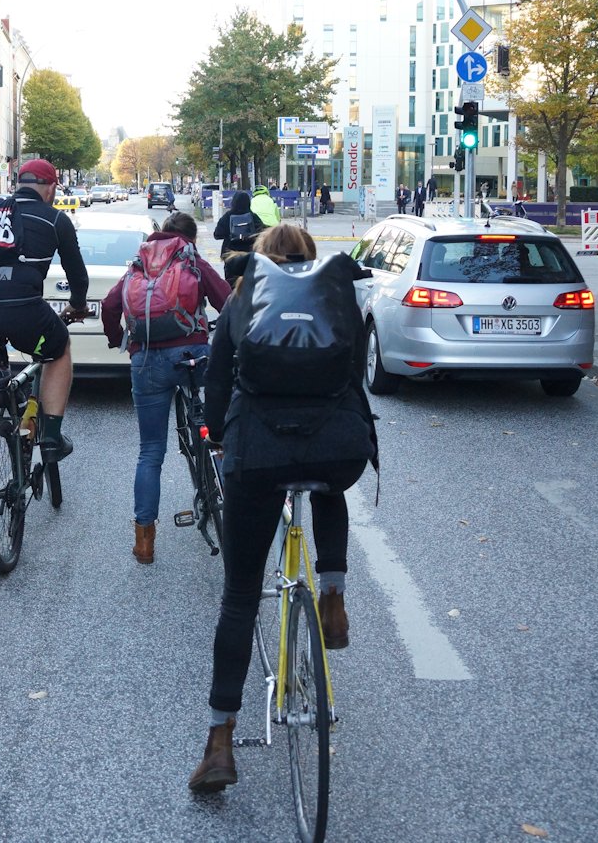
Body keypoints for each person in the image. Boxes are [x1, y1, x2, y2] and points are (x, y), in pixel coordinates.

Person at [188, 223, 377, 794]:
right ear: (311, 259)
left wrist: (219, 433)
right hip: (334, 447)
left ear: (264, 259)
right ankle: (334, 592)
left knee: (240, 600)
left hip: (259, 454)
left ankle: (221, 741)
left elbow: (218, 380)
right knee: (328, 486)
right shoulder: (338, 295)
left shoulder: (246, 296)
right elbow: (353, 376)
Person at [0, 158, 90, 518]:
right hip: (20, 308)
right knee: (57, 349)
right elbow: (78, 277)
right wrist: (76, 307)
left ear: (16, 184)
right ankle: (52, 436)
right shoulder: (55, 218)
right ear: (52, 188)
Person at [101, 211, 232, 564]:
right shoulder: (192, 259)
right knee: (215, 429)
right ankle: (226, 492)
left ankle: (144, 541)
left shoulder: (138, 264)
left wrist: (119, 340)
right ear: (189, 238)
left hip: (147, 361)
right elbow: (228, 302)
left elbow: (109, 306)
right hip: (193, 355)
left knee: (151, 450)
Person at [213, 190, 265, 258]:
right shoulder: (253, 217)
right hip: (249, 253)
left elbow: (217, 235)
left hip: (230, 253)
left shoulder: (227, 216)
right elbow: (262, 232)